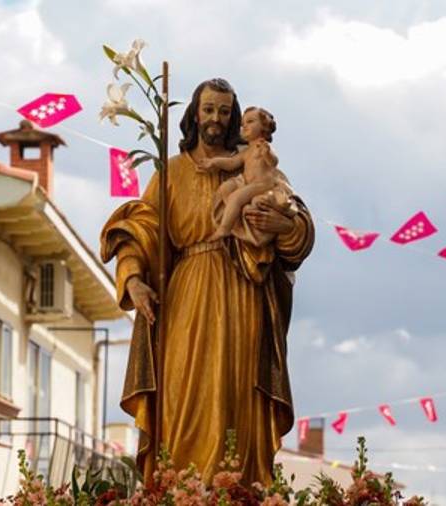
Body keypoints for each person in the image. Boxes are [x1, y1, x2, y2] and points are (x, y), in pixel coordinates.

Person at [100, 78, 315, 485]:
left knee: (237, 400)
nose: (215, 118)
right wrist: (133, 280)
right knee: (182, 400)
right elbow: (143, 228)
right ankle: (181, 490)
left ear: (234, 117)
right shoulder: (173, 171)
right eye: (208, 109)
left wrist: (283, 223)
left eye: (224, 110)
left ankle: (238, 488)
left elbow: (296, 219)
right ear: (194, 114)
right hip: (187, 296)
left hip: (244, 294)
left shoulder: (253, 161)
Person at [199, 106, 298, 246]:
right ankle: (237, 216)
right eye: (242, 124)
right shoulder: (247, 151)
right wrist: (214, 162)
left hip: (262, 184)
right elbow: (232, 163)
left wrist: (267, 154)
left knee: (235, 197)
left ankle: (224, 228)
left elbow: (274, 162)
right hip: (247, 182)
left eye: (250, 121)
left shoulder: (264, 146)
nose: (244, 126)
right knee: (226, 188)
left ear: (264, 127)